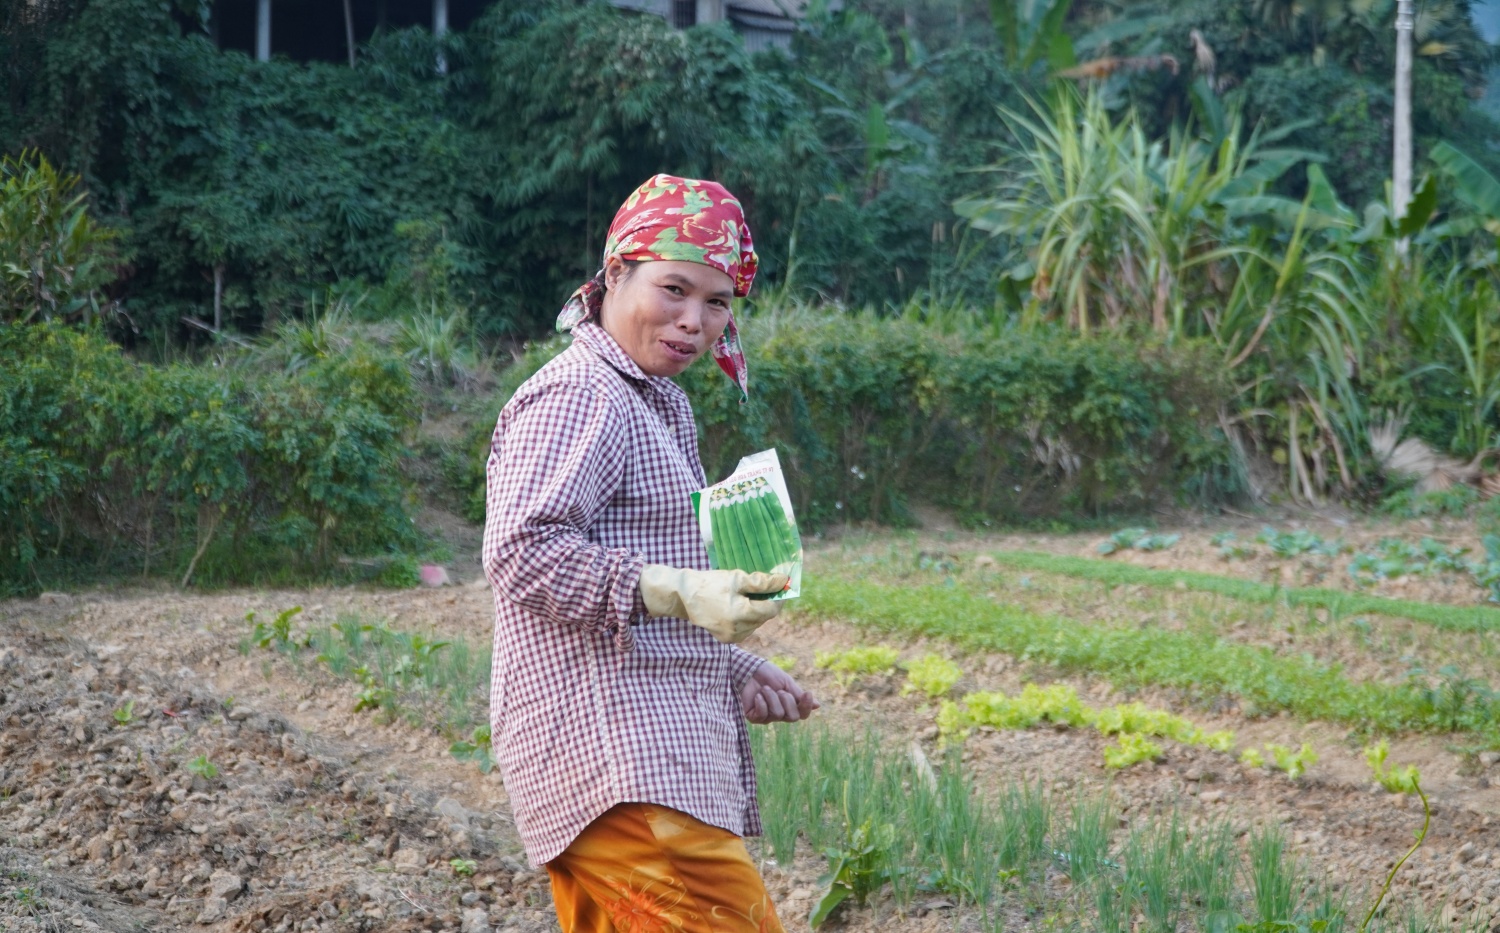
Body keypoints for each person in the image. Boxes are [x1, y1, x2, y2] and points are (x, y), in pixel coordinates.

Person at [483, 173, 820, 933]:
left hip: (643, 755)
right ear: (614, 275)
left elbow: (631, 579)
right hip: (618, 764)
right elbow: (522, 551)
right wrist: (673, 588)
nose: (693, 321)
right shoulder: (582, 395)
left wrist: (736, 666)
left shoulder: (655, 400)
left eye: (716, 301)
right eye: (673, 289)